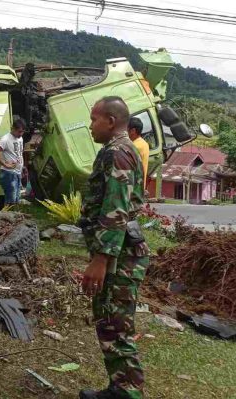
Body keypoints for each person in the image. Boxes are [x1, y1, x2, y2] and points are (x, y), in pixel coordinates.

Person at [78, 97, 150, 399]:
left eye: (94, 119)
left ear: (110, 121)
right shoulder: (120, 149)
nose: (90, 125)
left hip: (119, 256)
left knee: (115, 326)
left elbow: (116, 209)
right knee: (112, 324)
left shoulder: (117, 152)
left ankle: (126, 392)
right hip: (119, 253)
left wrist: (101, 259)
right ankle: (121, 388)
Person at [0, 118, 25, 205]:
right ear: (13, 128)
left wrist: (22, 167)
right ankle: (8, 216)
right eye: (19, 131)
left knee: (16, 199)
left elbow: (18, 153)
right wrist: (4, 164)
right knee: (11, 201)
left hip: (17, 172)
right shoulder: (5, 139)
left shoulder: (20, 138)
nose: (21, 134)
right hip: (9, 173)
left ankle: (14, 217)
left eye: (23, 132)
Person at [127, 117, 149, 189]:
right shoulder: (144, 143)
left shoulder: (135, 146)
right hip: (139, 188)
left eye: (125, 129)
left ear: (133, 130)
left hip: (133, 189)